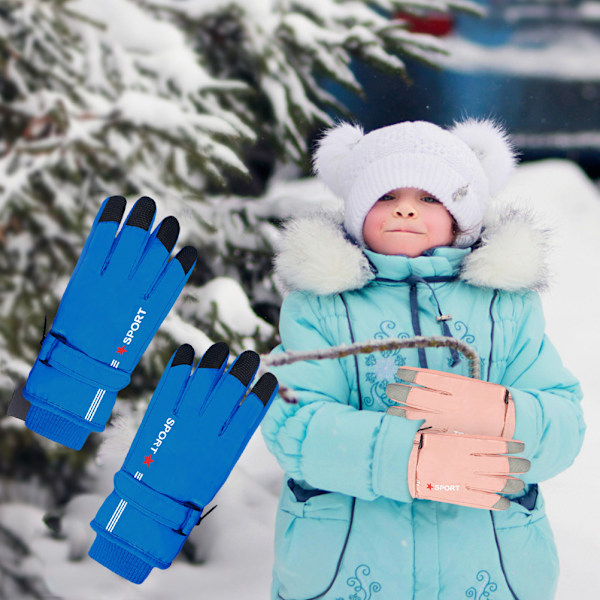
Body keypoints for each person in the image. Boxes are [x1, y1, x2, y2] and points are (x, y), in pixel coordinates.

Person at [261, 119, 585, 600]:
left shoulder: (505, 306)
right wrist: (403, 457)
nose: (406, 209)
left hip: (486, 568)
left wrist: (503, 415)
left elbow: (563, 423)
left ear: (462, 215)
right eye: (386, 195)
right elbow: (293, 420)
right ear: (356, 211)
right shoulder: (321, 304)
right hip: (349, 567)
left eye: (430, 198)